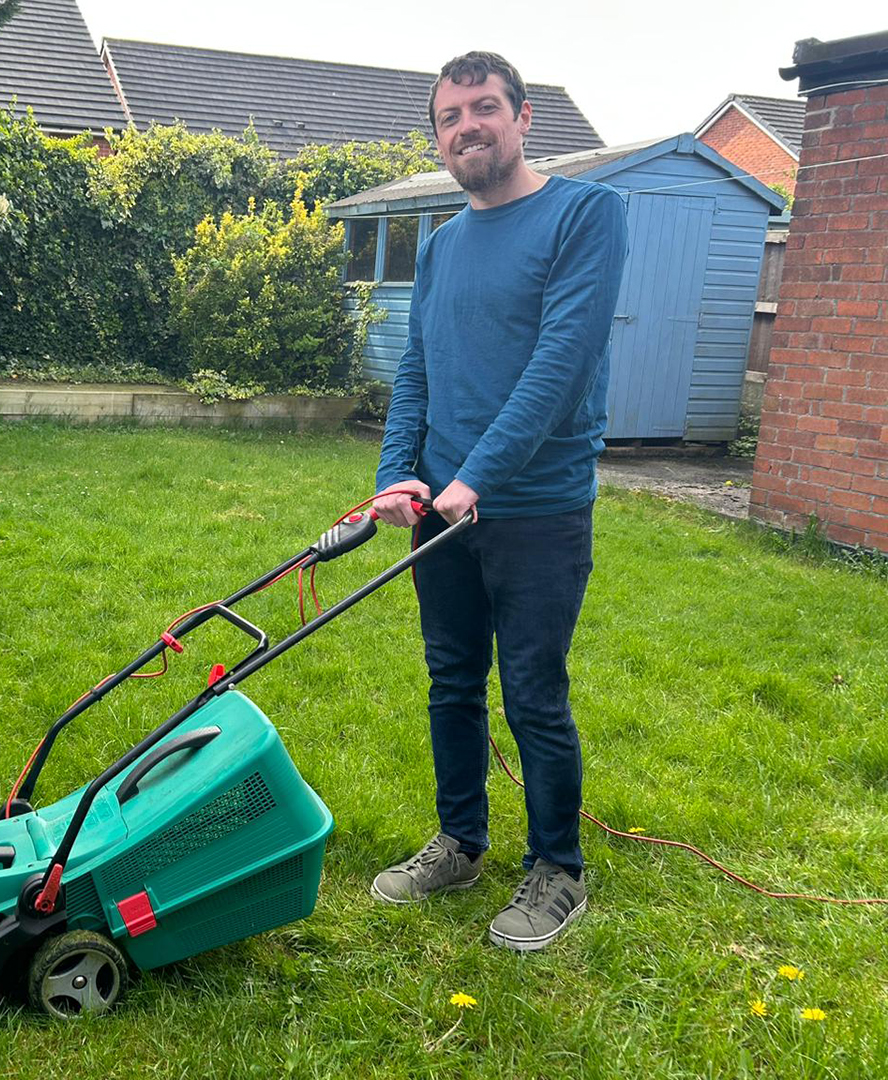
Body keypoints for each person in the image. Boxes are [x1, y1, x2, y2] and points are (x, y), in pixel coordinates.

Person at [366, 51, 628, 952]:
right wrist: (396, 477)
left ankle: (558, 869)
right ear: (438, 136)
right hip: (442, 514)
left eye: (484, 108)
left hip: (537, 510)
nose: (466, 126)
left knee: (534, 694)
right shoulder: (440, 245)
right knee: (450, 682)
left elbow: (561, 366)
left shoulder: (587, 215)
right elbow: (420, 370)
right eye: (449, 116)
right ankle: (461, 843)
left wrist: (474, 480)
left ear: (523, 119)